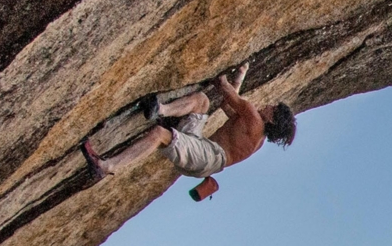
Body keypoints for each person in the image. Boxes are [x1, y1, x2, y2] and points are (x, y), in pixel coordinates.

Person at [83, 62, 296, 180]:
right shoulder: (256, 138)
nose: (268, 105)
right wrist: (241, 74)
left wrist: (224, 72)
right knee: (201, 101)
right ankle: (160, 109)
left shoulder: (254, 117)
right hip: (206, 157)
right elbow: (226, 106)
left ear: (272, 118)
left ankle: (106, 166)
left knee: (159, 134)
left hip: (207, 156)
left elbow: (224, 88)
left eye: (272, 108)